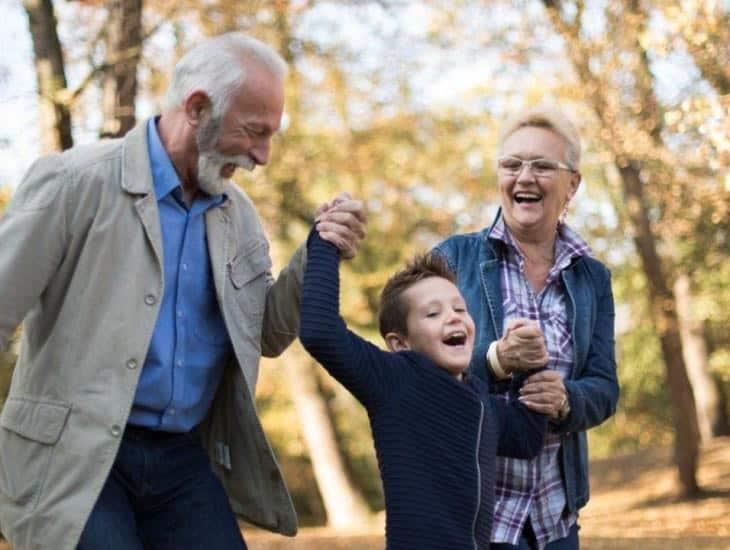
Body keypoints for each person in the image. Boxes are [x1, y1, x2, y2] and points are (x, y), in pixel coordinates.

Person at [0, 32, 366, 550]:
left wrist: (317, 252)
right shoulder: (72, 183)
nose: (262, 156)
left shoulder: (237, 215)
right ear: (196, 108)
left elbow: (263, 333)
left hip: (180, 458)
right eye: (253, 132)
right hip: (72, 457)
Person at [435, 105, 619, 549]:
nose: (524, 177)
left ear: (572, 183)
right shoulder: (451, 260)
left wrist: (565, 400)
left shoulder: (592, 278)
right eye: (512, 165)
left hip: (555, 520)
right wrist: (495, 360)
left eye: (542, 166)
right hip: (476, 518)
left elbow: (605, 387)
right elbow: (416, 377)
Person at [299, 226, 548, 550]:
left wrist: (532, 364)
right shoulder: (396, 381)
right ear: (400, 343)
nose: (454, 318)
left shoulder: (479, 400)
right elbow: (319, 332)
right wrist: (326, 242)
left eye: (460, 309)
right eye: (433, 313)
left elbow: (526, 438)